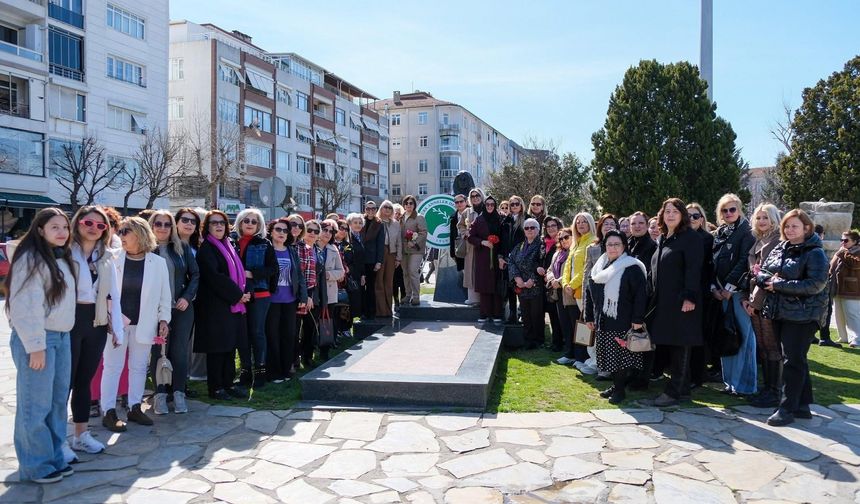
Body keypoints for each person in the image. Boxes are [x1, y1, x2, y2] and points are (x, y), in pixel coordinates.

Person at [5, 208, 77, 483]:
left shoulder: (61, 258)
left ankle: (54, 457)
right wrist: (35, 345)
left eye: (65, 227)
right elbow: (25, 305)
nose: (62, 232)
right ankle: (36, 465)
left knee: (57, 403)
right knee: (35, 406)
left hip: (61, 337)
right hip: (39, 339)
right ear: (39, 230)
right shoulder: (30, 259)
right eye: (54, 227)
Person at [758, 209, 829, 426]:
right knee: (796, 358)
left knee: (793, 361)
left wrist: (778, 284)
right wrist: (764, 279)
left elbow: (814, 284)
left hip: (803, 314)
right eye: (787, 226)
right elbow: (763, 271)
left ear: (806, 228)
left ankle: (787, 407)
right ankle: (802, 405)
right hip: (780, 311)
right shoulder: (781, 247)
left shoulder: (815, 252)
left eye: (795, 226)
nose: (789, 230)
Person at [100, 217, 172, 431]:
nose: (120, 236)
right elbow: (102, 292)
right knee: (112, 366)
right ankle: (108, 411)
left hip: (145, 323)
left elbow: (164, 295)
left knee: (139, 367)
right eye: (119, 232)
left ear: (139, 234)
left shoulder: (157, 263)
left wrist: (164, 319)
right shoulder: (111, 258)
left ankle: (134, 407)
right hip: (116, 324)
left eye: (125, 232)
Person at [66, 207, 123, 457]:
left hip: (96, 322)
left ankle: (81, 435)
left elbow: (114, 295)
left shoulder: (107, 256)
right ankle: (57, 439)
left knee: (84, 381)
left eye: (101, 225)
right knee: (63, 382)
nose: (94, 228)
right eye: (88, 222)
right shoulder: (64, 253)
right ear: (77, 223)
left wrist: (116, 327)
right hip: (68, 321)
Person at [643, 198, 704, 407]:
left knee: (680, 345)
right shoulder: (663, 238)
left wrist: (690, 296)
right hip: (664, 302)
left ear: (682, 216)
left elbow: (694, 269)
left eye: (675, 211)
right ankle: (684, 390)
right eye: (667, 211)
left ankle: (674, 391)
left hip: (682, 301)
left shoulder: (690, 238)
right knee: (671, 344)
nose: (670, 215)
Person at [584, 230, 648, 404]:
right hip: (603, 319)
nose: (612, 248)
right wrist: (589, 316)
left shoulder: (632, 267)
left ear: (624, 246)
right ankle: (615, 385)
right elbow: (590, 293)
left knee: (620, 358)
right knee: (608, 356)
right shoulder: (600, 266)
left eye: (616, 244)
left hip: (623, 321)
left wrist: (637, 319)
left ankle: (620, 391)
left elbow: (641, 296)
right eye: (609, 244)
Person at [195, 210, 250, 400]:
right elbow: (215, 277)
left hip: (231, 305)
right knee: (218, 348)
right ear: (207, 227)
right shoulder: (207, 248)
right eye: (214, 223)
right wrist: (238, 295)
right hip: (215, 306)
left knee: (230, 346)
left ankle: (228, 383)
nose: (219, 226)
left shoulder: (228, 244)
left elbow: (238, 272)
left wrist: (242, 294)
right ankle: (216, 387)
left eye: (222, 223)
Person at [148, 210, 199, 414]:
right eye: (158, 224)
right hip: (153, 312)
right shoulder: (144, 249)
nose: (162, 228)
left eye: (167, 224)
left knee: (178, 352)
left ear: (172, 227)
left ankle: (178, 394)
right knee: (159, 353)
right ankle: (160, 394)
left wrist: (187, 297)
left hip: (180, 309)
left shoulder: (181, 248)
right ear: (151, 226)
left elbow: (195, 274)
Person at [709, 194, 757, 396]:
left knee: (744, 338)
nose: (728, 213)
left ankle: (744, 385)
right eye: (724, 210)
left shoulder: (747, 231)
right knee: (726, 336)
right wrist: (714, 287)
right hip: (721, 293)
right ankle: (730, 382)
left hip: (737, 293)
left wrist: (729, 287)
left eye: (732, 209)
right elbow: (712, 261)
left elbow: (743, 261)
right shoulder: (720, 232)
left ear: (739, 209)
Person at [742, 203, 783, 407]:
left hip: (768, 300)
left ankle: (774, 391)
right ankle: (767, 389)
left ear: (775, 219)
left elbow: (768, 277)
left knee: (772, 346)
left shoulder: (777, 241)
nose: (761, 221)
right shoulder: (759, 240)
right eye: (758, 218)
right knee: (764, 346)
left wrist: (754, 303)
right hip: (756, 298)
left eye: (766, 217)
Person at [233, 208, 278, 389]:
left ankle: (260, 370)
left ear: (259, 225)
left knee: (257, 332)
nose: (250, 224)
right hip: (238, 296)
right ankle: (245, 370)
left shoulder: (264, 244)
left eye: (254, 221)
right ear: (240, 223)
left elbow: (273, 269)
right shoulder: (231, 242)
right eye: (246, 220)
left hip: (260, 295)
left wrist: (252, 273)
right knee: (242, 335)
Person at [265, 218, 307, 382]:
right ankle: (274, 371)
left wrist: (303, 296)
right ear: (271, 231)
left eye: (285, 230)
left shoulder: (291, 250)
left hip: (290, 300)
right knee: (272, 335)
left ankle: (286, 369)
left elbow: (299, 276)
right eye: (278, 229)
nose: (282, 233)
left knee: (289, 335)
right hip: (271, 301)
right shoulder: (266, 249)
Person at [581, 214, 618, 378]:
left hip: (614, 298)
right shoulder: (593, 248)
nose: (609, 226)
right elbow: (586, 276)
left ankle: (609, 367)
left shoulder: (621, 247)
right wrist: (585, 301)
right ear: (600, 227)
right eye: (606, 224)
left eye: (612, 224)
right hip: (596, 297)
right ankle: (596, 362)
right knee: (595, 332)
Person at [687, 202, 719, 388]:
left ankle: (697, 376)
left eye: (695, 216)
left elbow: (708, 267)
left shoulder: (707, 239)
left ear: (702, 219)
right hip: (686, 293)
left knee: (699, 336)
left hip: (702, 294)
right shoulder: (680, 237)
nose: (692, 219)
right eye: (688, 215)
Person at [559, 213, 596, 368]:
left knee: (588, 326)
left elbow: (586, 269)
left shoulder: (592, 241)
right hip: (573, 291)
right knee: (580, 327)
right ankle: (583, 358)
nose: (580, 224)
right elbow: (568, 266)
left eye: (584, 222)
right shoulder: (576, 242)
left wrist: (572, 285)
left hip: (583, 291)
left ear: (590, 223)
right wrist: (565, 283)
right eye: (578, 222)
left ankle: (590, 360)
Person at [175, 207, 206, 382]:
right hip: (175, 300)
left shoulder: (197, 247)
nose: (189, 224)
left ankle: (185, 377)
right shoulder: (169, 245)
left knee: (189, 340)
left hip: (195, 300)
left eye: (193, 221)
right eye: (185, 220)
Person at [508, 218, 545, 349]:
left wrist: (532, 280)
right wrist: (517, 278)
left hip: (535, 286)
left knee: (536, 314)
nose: (529, 230)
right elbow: (511, 260)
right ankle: (528, 340)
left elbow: (542, 264)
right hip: (522, 286)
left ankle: (538, 340)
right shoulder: (520, 246)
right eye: (527, 228)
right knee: (525, 314)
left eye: (532, 227)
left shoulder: (541, 245)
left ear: (538, 230)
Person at [467, 195, 504, 323]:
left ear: (495, 206)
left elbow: (504, 237)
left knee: (497, 284)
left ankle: (497, 314)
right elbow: (471, 237)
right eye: (487, 204)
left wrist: (501, 255)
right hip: (483, 256)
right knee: (485, 285)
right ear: (484, 205)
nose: (489, 207)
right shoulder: (479, 219)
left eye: (492, 204)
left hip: (498, 256)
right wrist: (482, 242)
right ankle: (484, 313)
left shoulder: (500, 219)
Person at [318, 220, 345, 359]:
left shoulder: (333, 249)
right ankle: (309, 352)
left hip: (329, 290)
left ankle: (325, 350)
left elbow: (341, 272)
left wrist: (329, 275)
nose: (328, 233)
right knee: (312, 322)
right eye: (325, 230)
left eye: (331, 231)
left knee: (327, 320)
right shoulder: (310, 246)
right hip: (314, 291)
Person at [297, 219, 322, 367]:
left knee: (310, 327)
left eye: (316, 231)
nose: (312, 233)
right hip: (304, 293)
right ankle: (298, 358)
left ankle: (308, 356)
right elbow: (302, 275)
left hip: (316, 293)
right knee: (298, 327)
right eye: (309, 230)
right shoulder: (300, 248)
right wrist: (307, 295)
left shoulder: (317, 250)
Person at [545, 225, 573, 358]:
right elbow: (549, 269)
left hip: (570, 293)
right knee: (564, 324)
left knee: (573, 324)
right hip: (558, 294)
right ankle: (568, 351)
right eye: (561, 238)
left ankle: (575, 353)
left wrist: (559, 281)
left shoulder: (574, 253)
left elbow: (574, 272)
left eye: (566, 237)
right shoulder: (557, 253)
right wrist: (552, 280)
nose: (563, 240)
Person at [830, 229, 860, 348]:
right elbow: (832, 267)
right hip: (839, 287)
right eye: (841, 240)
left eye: (846, 240)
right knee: (839, 314)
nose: (843, 242)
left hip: (853, 289)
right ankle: (843, 337)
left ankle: (857, 339)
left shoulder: (856, 251)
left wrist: (842, 253)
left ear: (855, 241)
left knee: (852, 314)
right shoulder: (844, 250)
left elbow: (855, 264)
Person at [499, 195, 526, 322]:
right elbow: (501, 240)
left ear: (521, 205)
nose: (514, 206)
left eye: (517, 204)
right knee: (510, 287)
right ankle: (512, 313)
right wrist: (500, 257)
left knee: (520, 286)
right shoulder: (506, 220)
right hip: (507, 259)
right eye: (512, 204)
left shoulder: (527, 219)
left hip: (521, 259)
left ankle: (522, 313)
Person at [815, 224, 841, 347]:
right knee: (826, 310)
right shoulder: (817, 245)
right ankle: (824, 337)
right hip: (820, 286)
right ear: (822, 234)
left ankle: (812, 336)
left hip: (813, 286)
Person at [400, 195, 428, 306]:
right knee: (405, 273)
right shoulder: (401, 217)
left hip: (416, 250)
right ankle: (408, 295)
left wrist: (415, 243)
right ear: (404, 205)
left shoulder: (419, 217)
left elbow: (423, 232)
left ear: (414, 205)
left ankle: (416, 296)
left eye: (411, 203)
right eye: (406, 203)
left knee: (412, 271)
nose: (408, 205)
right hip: (403, 250)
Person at [541, 217, 564, 350]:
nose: (550, 228)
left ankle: (559, 342)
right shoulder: (543, 243)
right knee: (552, 313)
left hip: (558, 283)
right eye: (548, 226)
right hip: (546, 283)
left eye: (553, 225)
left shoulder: (563, 242)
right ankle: (555, 341)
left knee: (558, 314)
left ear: (558, 226)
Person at [375, 201, 402, 317]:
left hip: (391, 253)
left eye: (390, 208)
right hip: (379, 253)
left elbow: (399, 242)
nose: (387, 209)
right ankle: (380, 311)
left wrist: (398, 258)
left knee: (389, 282)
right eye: (385, 207)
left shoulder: (396, 224)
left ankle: (388, 310)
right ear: (380, 209)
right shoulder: (376, 222)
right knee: (379, 281)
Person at [360, 201, 385, 319]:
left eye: (373, 209)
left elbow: (380, 244)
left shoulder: (379, 224)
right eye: (368, 208)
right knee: (360, 287)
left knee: (370, 287)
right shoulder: (360, 220)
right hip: (359, 258)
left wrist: (379, 261)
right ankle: (361, 312)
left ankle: (371, 312)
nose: (370, 211)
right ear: (365, 209)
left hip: (372, 260)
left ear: (376, 210)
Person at [462, 189, 485, 305]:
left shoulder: (487, 209)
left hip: (485, 245)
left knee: (483, 271)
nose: (475, 198)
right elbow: (460, 225)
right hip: (471, 246)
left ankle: (484, 299)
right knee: (471, 271)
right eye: (472, 196)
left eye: (477, 195)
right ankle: (473, 298)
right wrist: (464, 233)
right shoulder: (467, 211)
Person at [345, 213, 367, 329]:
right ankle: (346, 326)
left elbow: (362, 258)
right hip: (350, 273)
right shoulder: (348, 238)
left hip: (359, 273)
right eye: (355, 222)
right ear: (349, 224)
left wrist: (363, 274)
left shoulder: (361, 237)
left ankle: (354, 322)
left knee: (358, 298)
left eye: (360, 223)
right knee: (350, 299)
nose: (358, 225)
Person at [391, 203, 407, 307]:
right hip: (393, 256)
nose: (397, 215)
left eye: (399, 213)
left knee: (403, 280)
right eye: (395, 213)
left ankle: (404, 300)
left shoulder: (404, 224)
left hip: (404, 256)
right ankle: (396, 301)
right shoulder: (391, 224)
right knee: (394, 281)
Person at [450, 195, 467, 272]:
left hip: (471, 246)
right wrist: (452, 253)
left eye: (461, 201)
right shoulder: (453, 217)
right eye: (457, 202)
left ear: (466, 202)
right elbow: (452, 236)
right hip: (459, 248)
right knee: (463, 273)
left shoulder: (472, 213)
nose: (459, 204)